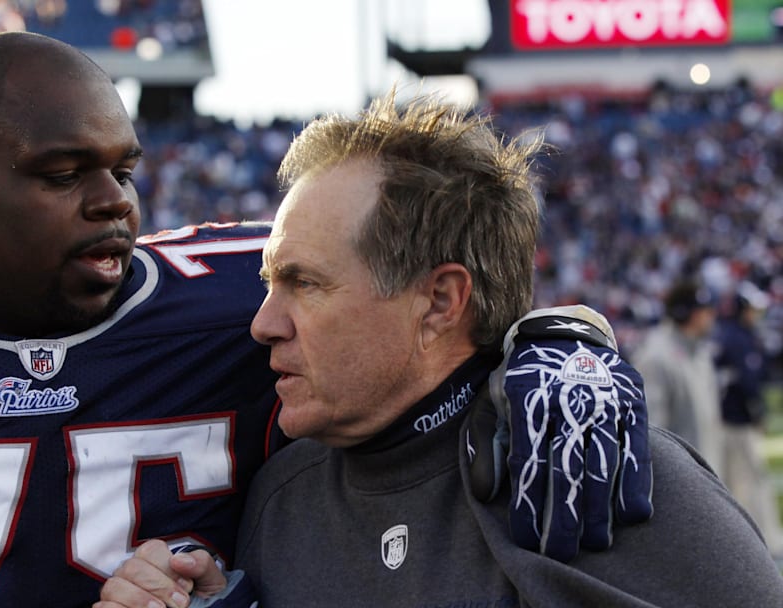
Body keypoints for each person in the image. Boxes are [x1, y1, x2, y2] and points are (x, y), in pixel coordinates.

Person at [0, 33, 646, 608]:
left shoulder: (241, 288)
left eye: (124, 168)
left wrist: (557, 341)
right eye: (64, 173)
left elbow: (436, 301)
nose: (114, 202)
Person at [97, 93, 783, 608]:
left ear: (440, 302)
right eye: (271, 282)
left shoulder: (591, 468)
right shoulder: (282, 497)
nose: (263, 324)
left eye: (304, 283)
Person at [714, 280, 783, 556]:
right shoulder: (737, 339)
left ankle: (751, 539)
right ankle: (762, 538)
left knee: (741, 481)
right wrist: (756, 411)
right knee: (749, 481)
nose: (757, 314)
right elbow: (746, 382)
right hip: (737, 422)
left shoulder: (733, 335)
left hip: (731, 420)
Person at [634, 279, 725, 472]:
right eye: (705, 312)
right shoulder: (656, 355)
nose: (711, 317)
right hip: (678, 476)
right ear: (688, 314)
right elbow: (652, 429)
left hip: (705, 470)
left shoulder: (700, 352)